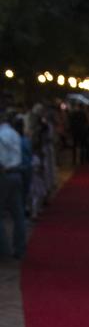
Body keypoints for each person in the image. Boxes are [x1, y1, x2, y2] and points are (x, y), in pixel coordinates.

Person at [0, 110, 26, 261]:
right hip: (17, 173)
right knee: (18, 214)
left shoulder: (1, 136)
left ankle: (4, 250)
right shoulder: (14, 133)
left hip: (6, 174)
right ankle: (19, 248)